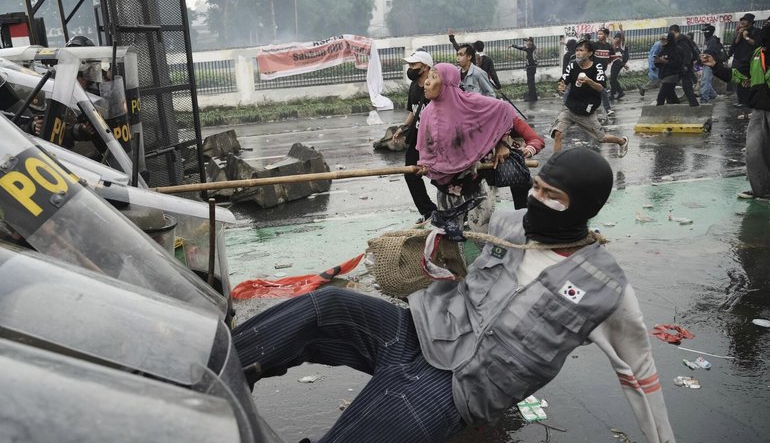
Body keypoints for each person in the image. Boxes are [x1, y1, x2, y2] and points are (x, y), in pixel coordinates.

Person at [231, 147, 676, 443]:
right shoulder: (508, 225)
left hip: (460, 385)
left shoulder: (605, 289)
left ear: (584, 207)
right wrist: (432, 247)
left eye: (551, 195)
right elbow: (461, 258)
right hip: (419, 332)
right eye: (536, 188)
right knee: (326, 305)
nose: (536, 200)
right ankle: (217, 369)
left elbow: (641, 373)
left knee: (371, 421)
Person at [417, 63, 543, 223]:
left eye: (433, 77)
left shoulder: (475, 107)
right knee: (449, 236)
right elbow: (428, 148)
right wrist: (426, 164)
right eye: (428, 77)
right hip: (446, 186)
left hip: (475, 182)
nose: (427, 82)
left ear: (448, 84)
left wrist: (503, 143)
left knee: (483, 234)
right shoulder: (428, 113)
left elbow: (505, 111)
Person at [702, 17, 770, 199]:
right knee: (754, 152)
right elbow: (739, 76)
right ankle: (762, 191)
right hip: (760, 110)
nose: (766, 29)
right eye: (766, 25)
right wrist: (716, 66)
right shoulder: (758, 54)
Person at [552, 40, 629, 156]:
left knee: (602, 138)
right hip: (570, 107)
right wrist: (562, 86)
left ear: (590, 53)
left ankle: (622, 142)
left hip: (586, 110)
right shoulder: (572, 64)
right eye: (577, 50)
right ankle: (555, 164)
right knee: (558, 134)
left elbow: (601, 88)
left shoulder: (597, 67)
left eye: (581, 50)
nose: (578, 53)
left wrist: (589, 81)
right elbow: (564, 81)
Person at [393, 50, 438, 223]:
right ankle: (428, 211)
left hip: (434, 140)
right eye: (409, 65)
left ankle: (452, 209)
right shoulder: (413, 86)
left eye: (413, 65)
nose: (410, 68)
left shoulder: (435, 87)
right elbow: (413, 111)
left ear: (425, 67)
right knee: (410, 173)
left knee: (440, 176)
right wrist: (403, 127)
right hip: (417, 137)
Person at [729, 13, 761, 112]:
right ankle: (741, 101)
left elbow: (757, 44)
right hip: (739, 60)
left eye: (745, 20)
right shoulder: (740, 31)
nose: (742, 22)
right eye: (741, 20)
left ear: (750, 22)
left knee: (748, 81)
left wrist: (746, 37)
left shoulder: (756, 31)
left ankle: (748, 102)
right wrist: (739, 34)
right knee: (739, 82)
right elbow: (734, 45)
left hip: (750, 60)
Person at [654, 32, 685, 106]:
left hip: (672, 75)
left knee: (661, 96)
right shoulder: (663, 49)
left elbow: (677, 64)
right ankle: (678, 109)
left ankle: (658, 112)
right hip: (664, 75)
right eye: (662, 40)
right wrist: (657, 61)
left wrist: (665, 61)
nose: (662, 42)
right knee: (670, 95)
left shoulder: (677, 50)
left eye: (664, 40)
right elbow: (659, 63)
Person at [593, 28, 615, 116]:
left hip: (602, 71)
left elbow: (612, 55)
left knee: (601, 90)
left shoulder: (608, 46)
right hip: (594, 71)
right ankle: (607, 109)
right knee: (603, 90)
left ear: (605, 35)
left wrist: (612, 42)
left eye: (601, 34)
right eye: (598, 34)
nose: (599, 35)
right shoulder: (595, 45)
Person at [700, 24, 723, 104]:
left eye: (706, 31)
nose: (704, 33)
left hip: (710, 63)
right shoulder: (709, 40)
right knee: (706, 80)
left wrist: (703, 58)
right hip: (707, 63)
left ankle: (704, 99)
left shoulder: (712, 40)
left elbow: (709, 52)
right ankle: (713, 95)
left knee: (705, 80)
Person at [510, 37, 538, 101]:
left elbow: (521, 48)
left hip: (531, 67)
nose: (527, 43)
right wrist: (526, 39)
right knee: (531, 82)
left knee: (530, 83)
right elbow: (528, 43)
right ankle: (533, 96)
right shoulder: (533, 47)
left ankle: (532, 97)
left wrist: (512, 45)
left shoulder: (530, 48)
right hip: (532, 67)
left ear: (531, 42)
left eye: (528, 42)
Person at [609, 24, 629, 101]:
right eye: (616, 38)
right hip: (616, 62)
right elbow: (610, 39)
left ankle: (613, 94)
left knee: (612, 79)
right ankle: (619, 92)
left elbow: (623, 38)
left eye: (618, 38)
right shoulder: (615, 45)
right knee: (613, 79)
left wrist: (621, 30)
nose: (616, 39)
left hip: (619, 63)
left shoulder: (622, 44)